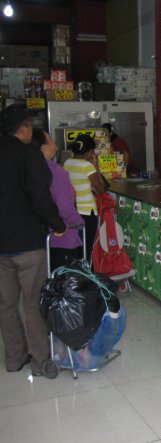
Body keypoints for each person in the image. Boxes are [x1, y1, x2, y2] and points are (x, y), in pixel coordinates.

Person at [0, 105, 66, 376]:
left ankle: (14, 359)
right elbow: (40, 197)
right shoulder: (28, 155)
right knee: (33, 302)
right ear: (24, 128)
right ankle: (40, 361)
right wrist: (58, 225)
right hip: (28, 242)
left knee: (5, 304)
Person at [32, 128, 84, 270]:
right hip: (62, 236)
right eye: (50, 138)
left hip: (39, 238)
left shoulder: (30, 169)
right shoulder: (56, 172)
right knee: (64, 281)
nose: (54, 141)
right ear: (44, 147)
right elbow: (64, 207)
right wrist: (78, 222)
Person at [63, 133, 107, 264]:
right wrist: (96, 166)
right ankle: (85, 277)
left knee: (76, 247)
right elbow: (101, 189)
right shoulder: (86, 166)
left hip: (73, 211)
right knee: (87, 249)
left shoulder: (67, 163)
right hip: (88, 212)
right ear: (89, 151)